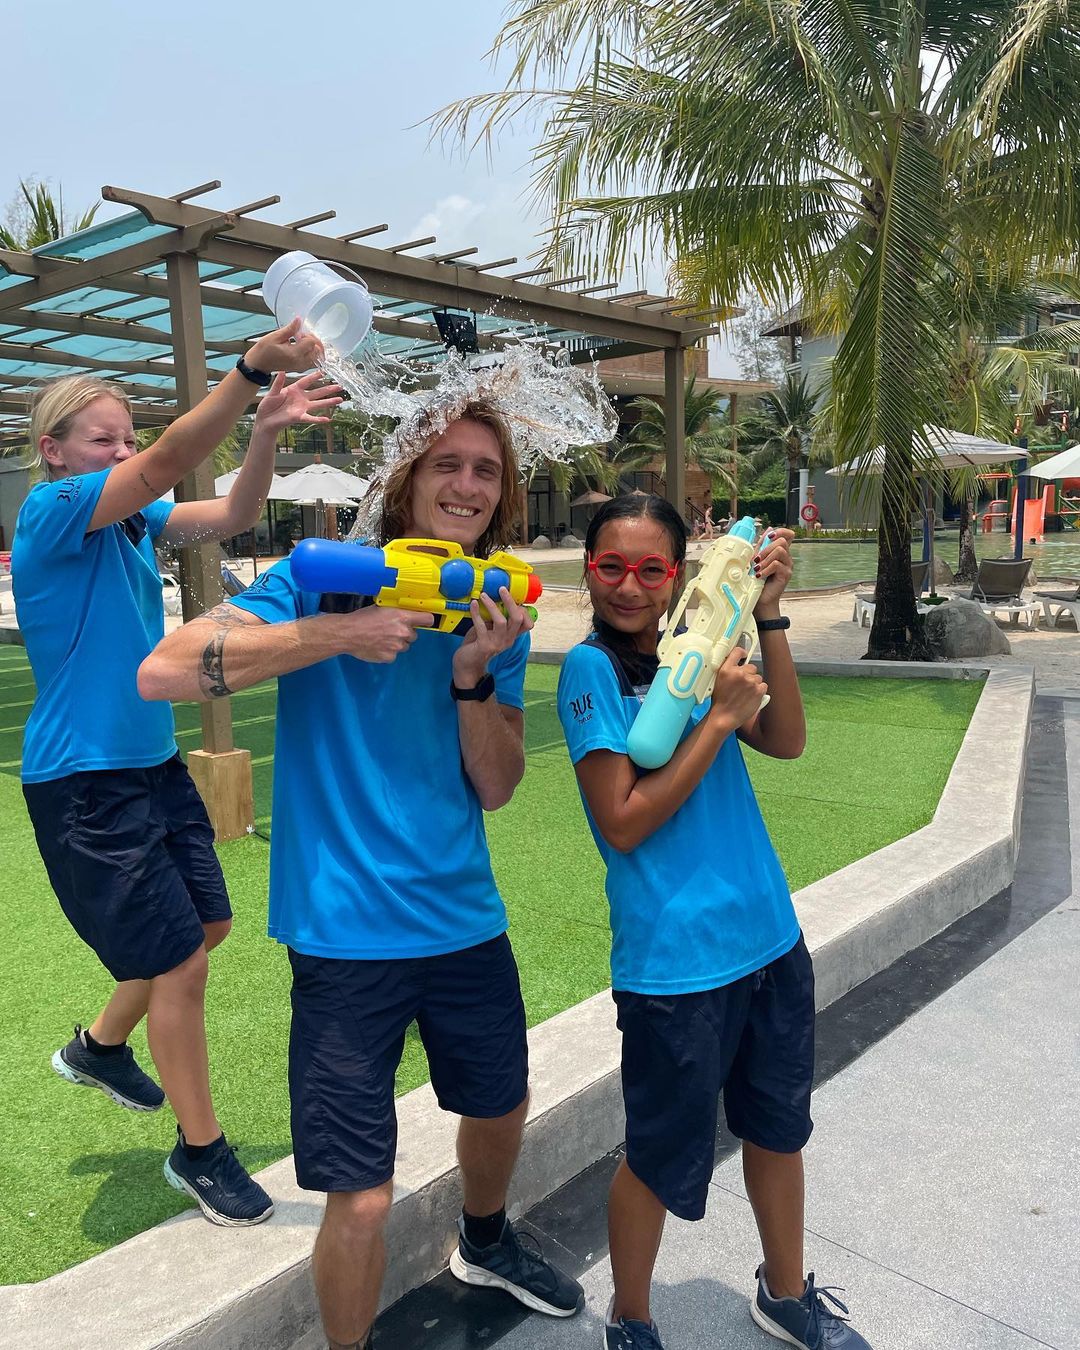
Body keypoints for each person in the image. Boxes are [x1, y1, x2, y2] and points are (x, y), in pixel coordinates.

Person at [138, 397, 583, 1350]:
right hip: (343, 938)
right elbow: (165, 671)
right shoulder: (318, 585)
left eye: (486, 471)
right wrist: (334, 635)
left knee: (501, 1106)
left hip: (464, 917)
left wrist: (474, 674)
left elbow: (498, 786)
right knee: (365, 1200)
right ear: (408, 480)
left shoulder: (490, 607)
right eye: (446, 465)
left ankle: (486, 1238)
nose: (466, 485)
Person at [15, 321, 340, 1226]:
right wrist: (245, 372)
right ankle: (201, 1154)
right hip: (83, 782)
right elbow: (162, 464)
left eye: (123, 436)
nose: (120, 452)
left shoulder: (131, 525)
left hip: (151, 767)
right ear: (55, 453)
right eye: (100, 440)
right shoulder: (52, 512)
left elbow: (231, 516)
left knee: (209, 922)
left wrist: (266, 432)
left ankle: (100, 1045)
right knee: (183, 963)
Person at [556, 493, 874, 1350]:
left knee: (777, 1127)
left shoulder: (698, 644)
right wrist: (720, 717)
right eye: (611, 566)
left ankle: (785, 1292)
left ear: (677, 576)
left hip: (767, 937)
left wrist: (767, 619)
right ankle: (631, 1316)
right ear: (588, 569)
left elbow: (789, 740)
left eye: (651, 568)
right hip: (675, 963)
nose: (629, 586)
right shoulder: (590, 673)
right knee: (658, 1154)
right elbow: (623, 818)